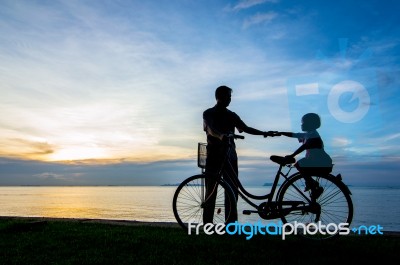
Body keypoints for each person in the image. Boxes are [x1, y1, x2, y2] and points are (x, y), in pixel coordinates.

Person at [202, 85, 275, 224]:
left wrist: (264, 133)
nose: (230, 99)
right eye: (227, 96)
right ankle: (208, 225)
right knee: (211, 191)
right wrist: (221, 136)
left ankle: (230, 225)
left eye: (230, 96)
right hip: (214, 156)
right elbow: (211, 129)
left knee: (232, 191)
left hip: (230, 156)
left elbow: (245, 128)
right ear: (219, 97)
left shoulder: (231, 115)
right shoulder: (208, 113)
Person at [278, 113, 332, 200]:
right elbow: (294, 134)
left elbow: (304, 147)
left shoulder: (314, 135)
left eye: (303, 123)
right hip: (316, 162)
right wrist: (281, 133)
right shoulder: (308, 134)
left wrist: (291, 155)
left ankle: (313, 185)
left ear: (310, 124)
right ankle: (311, 184)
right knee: (301, 165)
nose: (301, 125)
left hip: (321, 163)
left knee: (299, 164)